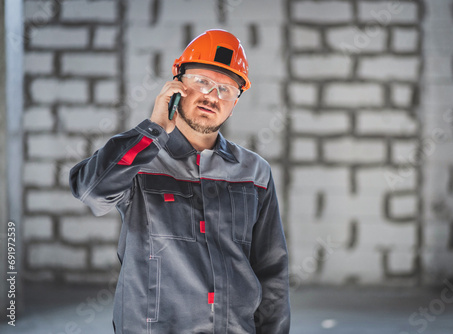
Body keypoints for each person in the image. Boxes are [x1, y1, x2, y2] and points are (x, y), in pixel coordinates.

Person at [70, 29, 290, 334]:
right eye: (202, 81)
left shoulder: (254, 172)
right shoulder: (141, 160)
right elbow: (91, 192)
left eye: (226, 89)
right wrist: (154, 128)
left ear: (236, 101)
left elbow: (271, 271)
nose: (212, 96)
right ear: (177, 83)